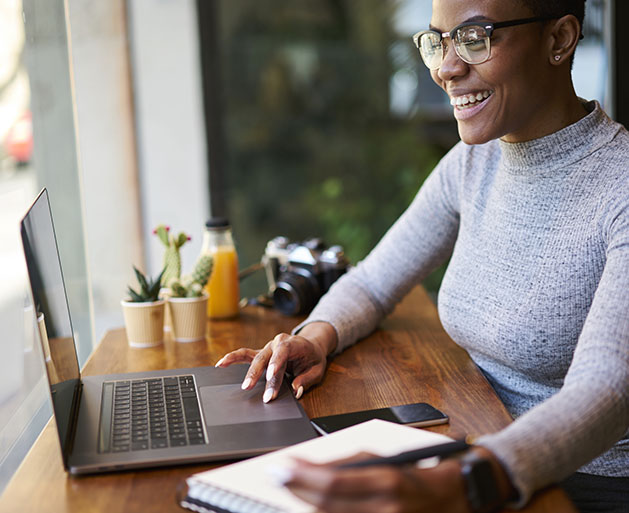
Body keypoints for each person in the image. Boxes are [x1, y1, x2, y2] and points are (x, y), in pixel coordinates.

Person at [216, 0, 629, 511]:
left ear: (559, 40)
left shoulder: (620, 188)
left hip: (577, 482)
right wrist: (317, 338)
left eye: (476, 36)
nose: (445, 67)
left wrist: (465, 479)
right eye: (438, 40)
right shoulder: (473, 162)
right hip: (473, 434)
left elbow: (606, 392)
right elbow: (372, 282)